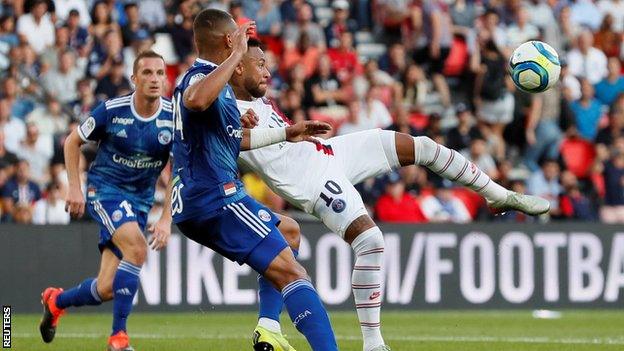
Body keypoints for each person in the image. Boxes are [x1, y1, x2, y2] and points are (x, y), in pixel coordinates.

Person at [231, 39, 551, 351]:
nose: (267, 73)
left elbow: (228, 52)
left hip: (327, 150)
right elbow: (224, 132)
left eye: (266, 64)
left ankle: (497, 194)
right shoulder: (225, 110)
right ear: (236, 68)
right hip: (310, 180)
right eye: (259, 65)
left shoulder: (249, 90)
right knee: (371, 241)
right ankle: (373, 343)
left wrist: (243, 39)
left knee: (422, 146)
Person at [170, 9, 338, 351]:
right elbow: (196, 99)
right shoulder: (198, 78)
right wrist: (235, 56)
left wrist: (286, 133)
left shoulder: (217, 86)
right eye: (237, 37)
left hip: (201, 200)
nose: (243, 42)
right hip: (216, 198)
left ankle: (268, 327)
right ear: (229, 40)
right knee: (295, 275)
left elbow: (234, 140)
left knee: (289, 231)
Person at [38, 51, 175, 351]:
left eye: (160, 73)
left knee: (107, 288)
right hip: (105, 191)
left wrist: (166, 217)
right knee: (137, 249)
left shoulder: (173, 116)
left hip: (139, 202)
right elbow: (72, 141)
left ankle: (56, 301)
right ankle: (118, 338)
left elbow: (179, 169)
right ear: (134, 79)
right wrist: (75, 187)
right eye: (148, 73)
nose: (154, 79)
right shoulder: (112, 110)